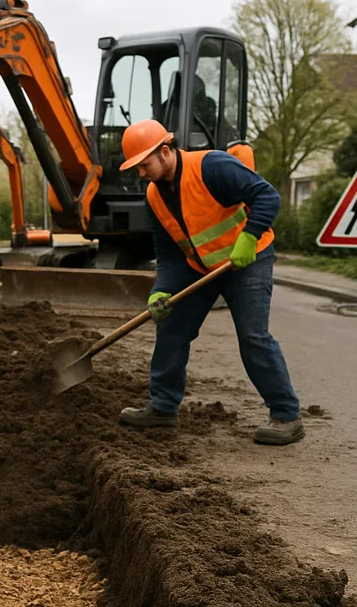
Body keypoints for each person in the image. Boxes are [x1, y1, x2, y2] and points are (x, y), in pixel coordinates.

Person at [118, 119, 304, 445]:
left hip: (247, 260)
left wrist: (250, 236)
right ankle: (162, 408)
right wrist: (162, 289)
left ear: (165, 151)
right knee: (172, 326)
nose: (141, 173)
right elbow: (169, 253)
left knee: (252, 335)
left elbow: (267, 195)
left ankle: (286, 415)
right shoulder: (154, 196)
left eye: (144, 164)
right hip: (200, 267)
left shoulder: (212, 166)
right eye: (136, 167)